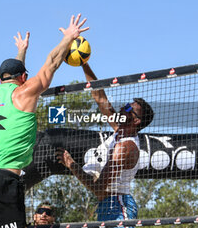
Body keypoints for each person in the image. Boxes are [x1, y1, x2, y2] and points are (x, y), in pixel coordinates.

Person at [0, 14, 89, 228]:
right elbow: (51, 63)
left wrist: (21, 52)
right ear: (24, 78)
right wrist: (69, 37)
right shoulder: (24, 94)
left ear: (0, 79)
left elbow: (13, 78)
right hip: (2, 182)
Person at [56, 62, 154, 221]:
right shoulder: (119, 130)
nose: (123, 107)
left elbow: (98, 188)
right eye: (126, 105)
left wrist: (71, 164)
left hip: (118, 205)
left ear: (136, 121)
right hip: (107, 205)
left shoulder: (126, 147)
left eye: (129, 109)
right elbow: (99, 96)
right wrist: (84, 62)